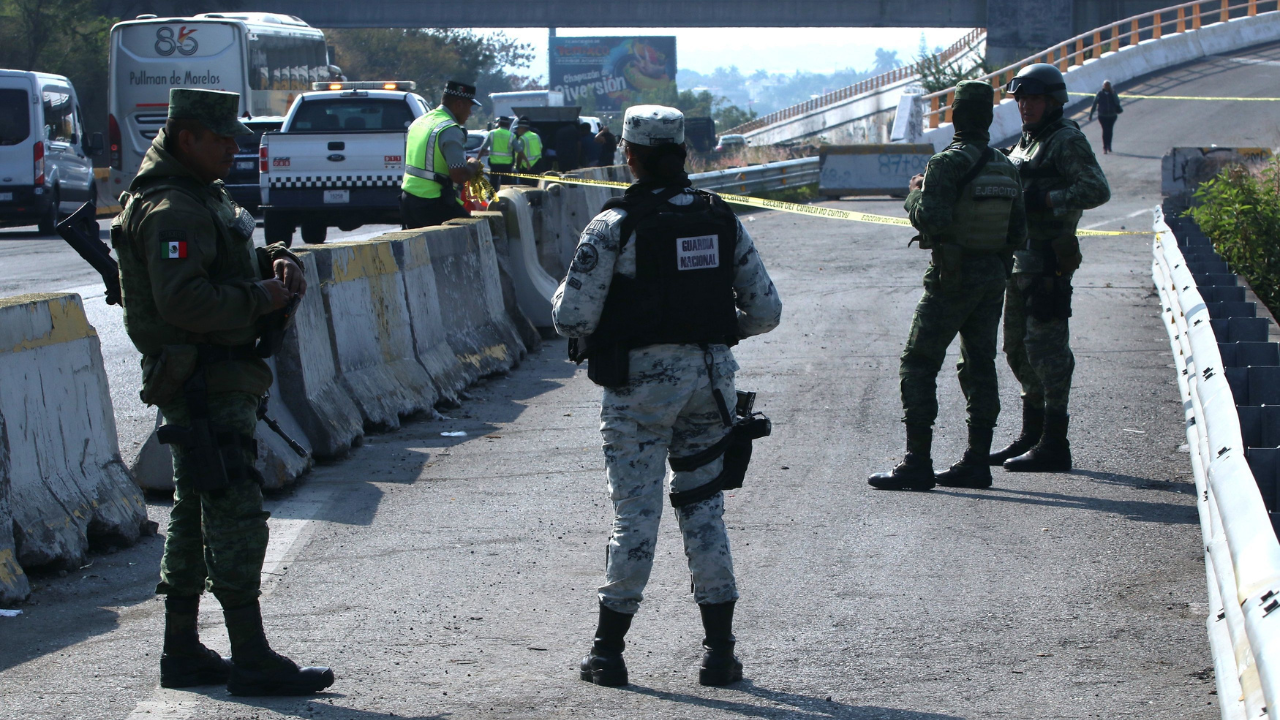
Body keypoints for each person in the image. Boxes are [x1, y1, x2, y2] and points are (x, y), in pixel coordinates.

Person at [111, 88, 333, 696]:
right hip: (206, 380)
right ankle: (252, 655)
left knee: (191, 514)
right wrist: (264, 297)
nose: (235, 148)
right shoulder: (173, 208)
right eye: (223, 139)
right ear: (188, 139)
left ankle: (181, 648)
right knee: (234, 512)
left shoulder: (199, 195)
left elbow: (228, 256)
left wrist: (275, 259)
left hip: (220, 376)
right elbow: (184, 301)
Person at [552, 105, 782, 688]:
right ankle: (721, 654)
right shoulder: (720, 218)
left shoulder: (614, 226)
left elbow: (570, 314)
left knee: (636, 519)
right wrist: (712, 327)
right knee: (704, 511)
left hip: (639, 393)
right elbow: (766, 311)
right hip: (711, 385)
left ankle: (608, 654)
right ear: (682, 151)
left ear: (629, 155)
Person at [868, 81, 1026, 492]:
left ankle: (917, 462)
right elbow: (1019, 231)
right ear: (989, 118)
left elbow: (931, 220)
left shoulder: (946, 164)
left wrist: (914, 196)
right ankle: (977, 461)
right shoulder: (1006, 166)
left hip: (951, 279)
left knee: (919, 362)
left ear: (954, 116)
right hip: (993, 279)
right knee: (980, 364)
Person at [991, 63, 1110, 472]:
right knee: (1016, 349)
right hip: (1020, 262)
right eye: (1021, 99)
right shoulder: (1026, 142)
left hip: (1048, 263)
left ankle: (1055, 443)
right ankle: (1032, 433)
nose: (1026, 106)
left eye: (1034, 98)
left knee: (1048, 352)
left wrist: (1047, 199)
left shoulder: (1064, 141)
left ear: (1053, 101)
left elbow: (1096, 189)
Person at [400, 80, 484, 228]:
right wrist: (473, 165)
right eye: (470, 108)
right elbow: (459, 175)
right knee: (476, 235)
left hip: (408, 200)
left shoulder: (420, 121)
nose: (470, 113)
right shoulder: (450, 129)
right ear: (459, 104)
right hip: (432, 202)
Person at [479, 115, 515, 190]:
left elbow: (484, 148)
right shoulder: (511, 136)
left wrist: (477, 159)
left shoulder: (492, 133)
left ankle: (493, 199)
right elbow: (519, 150)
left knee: (493, 184)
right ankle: (505, 199)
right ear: (508, 125)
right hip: (507, 165)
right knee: (506, 185)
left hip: (494, 164)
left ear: (498, 124)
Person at [1089, 80, 1123, 154]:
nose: (1107, 86)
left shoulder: (1113, 93)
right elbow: (1094, 104)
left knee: (1110, 131)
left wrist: (1113, 94)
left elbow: (1117, 102)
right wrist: (1091, 114)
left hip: (1112, 115)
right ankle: (1105, 147)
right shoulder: (1100, 94)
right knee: (1105, 130)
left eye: (1108, 85)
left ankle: (1109, 146)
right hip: (1102, 116)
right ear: (1103, 86)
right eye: (1105, 85)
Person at [513, 116, 543, 186]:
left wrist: (517, 167)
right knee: (535, 186)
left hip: (526, 167)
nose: (517, 131)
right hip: (537, 165)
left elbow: (520, 154)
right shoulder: (536, 135)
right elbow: (540, 148)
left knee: (525, 187)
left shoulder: (522, 139)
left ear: (523, 128)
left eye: (518, 128)